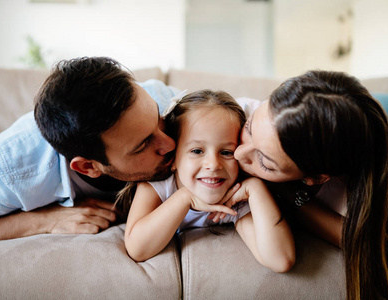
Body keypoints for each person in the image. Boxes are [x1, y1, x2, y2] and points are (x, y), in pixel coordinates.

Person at [0, 56, 180, 243]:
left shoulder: (167, 101)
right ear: (87, 166)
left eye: (158, 117)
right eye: (142, 145)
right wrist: (43, 220)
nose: (170, 143)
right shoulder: (5, 169)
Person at [232, 70, 388, 299]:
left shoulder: (348, 190)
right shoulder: (241, 112)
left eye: (265, 163)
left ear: (315, 177)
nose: (237, 153)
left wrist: (287, 194)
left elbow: (384, 251)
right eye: (248, 128)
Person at [123, 90, 295, 273]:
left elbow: (280, 260)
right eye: (197, 151)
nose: (213, 165)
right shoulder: (158, 186)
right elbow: (137, 250)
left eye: (227, 152)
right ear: (172, 158)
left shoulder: (234, 197)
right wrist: (184, 198)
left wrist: (255, 188)